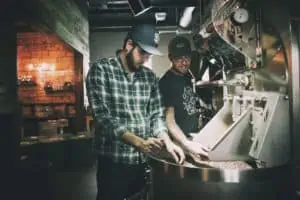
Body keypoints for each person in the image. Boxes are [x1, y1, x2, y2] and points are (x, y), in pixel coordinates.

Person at [85, 24, 185, 200]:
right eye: (142, 52)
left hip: (142, 161)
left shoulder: (149, 77)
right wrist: (139, 142)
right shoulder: (101, 70)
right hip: (113, 162)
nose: (146, 59)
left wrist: (167, 142)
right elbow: (104, 118)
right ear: (129, 45)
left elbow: (156, 115)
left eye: (149, 54)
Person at [159, 36, 209, 161]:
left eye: (187, 57)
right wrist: (186, 143)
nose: (184, 62)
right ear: (171, 58)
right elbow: (169, 121)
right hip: (177, 143)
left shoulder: (187, 75)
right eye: (179, 59)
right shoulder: (166, 83)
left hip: (191, 138)